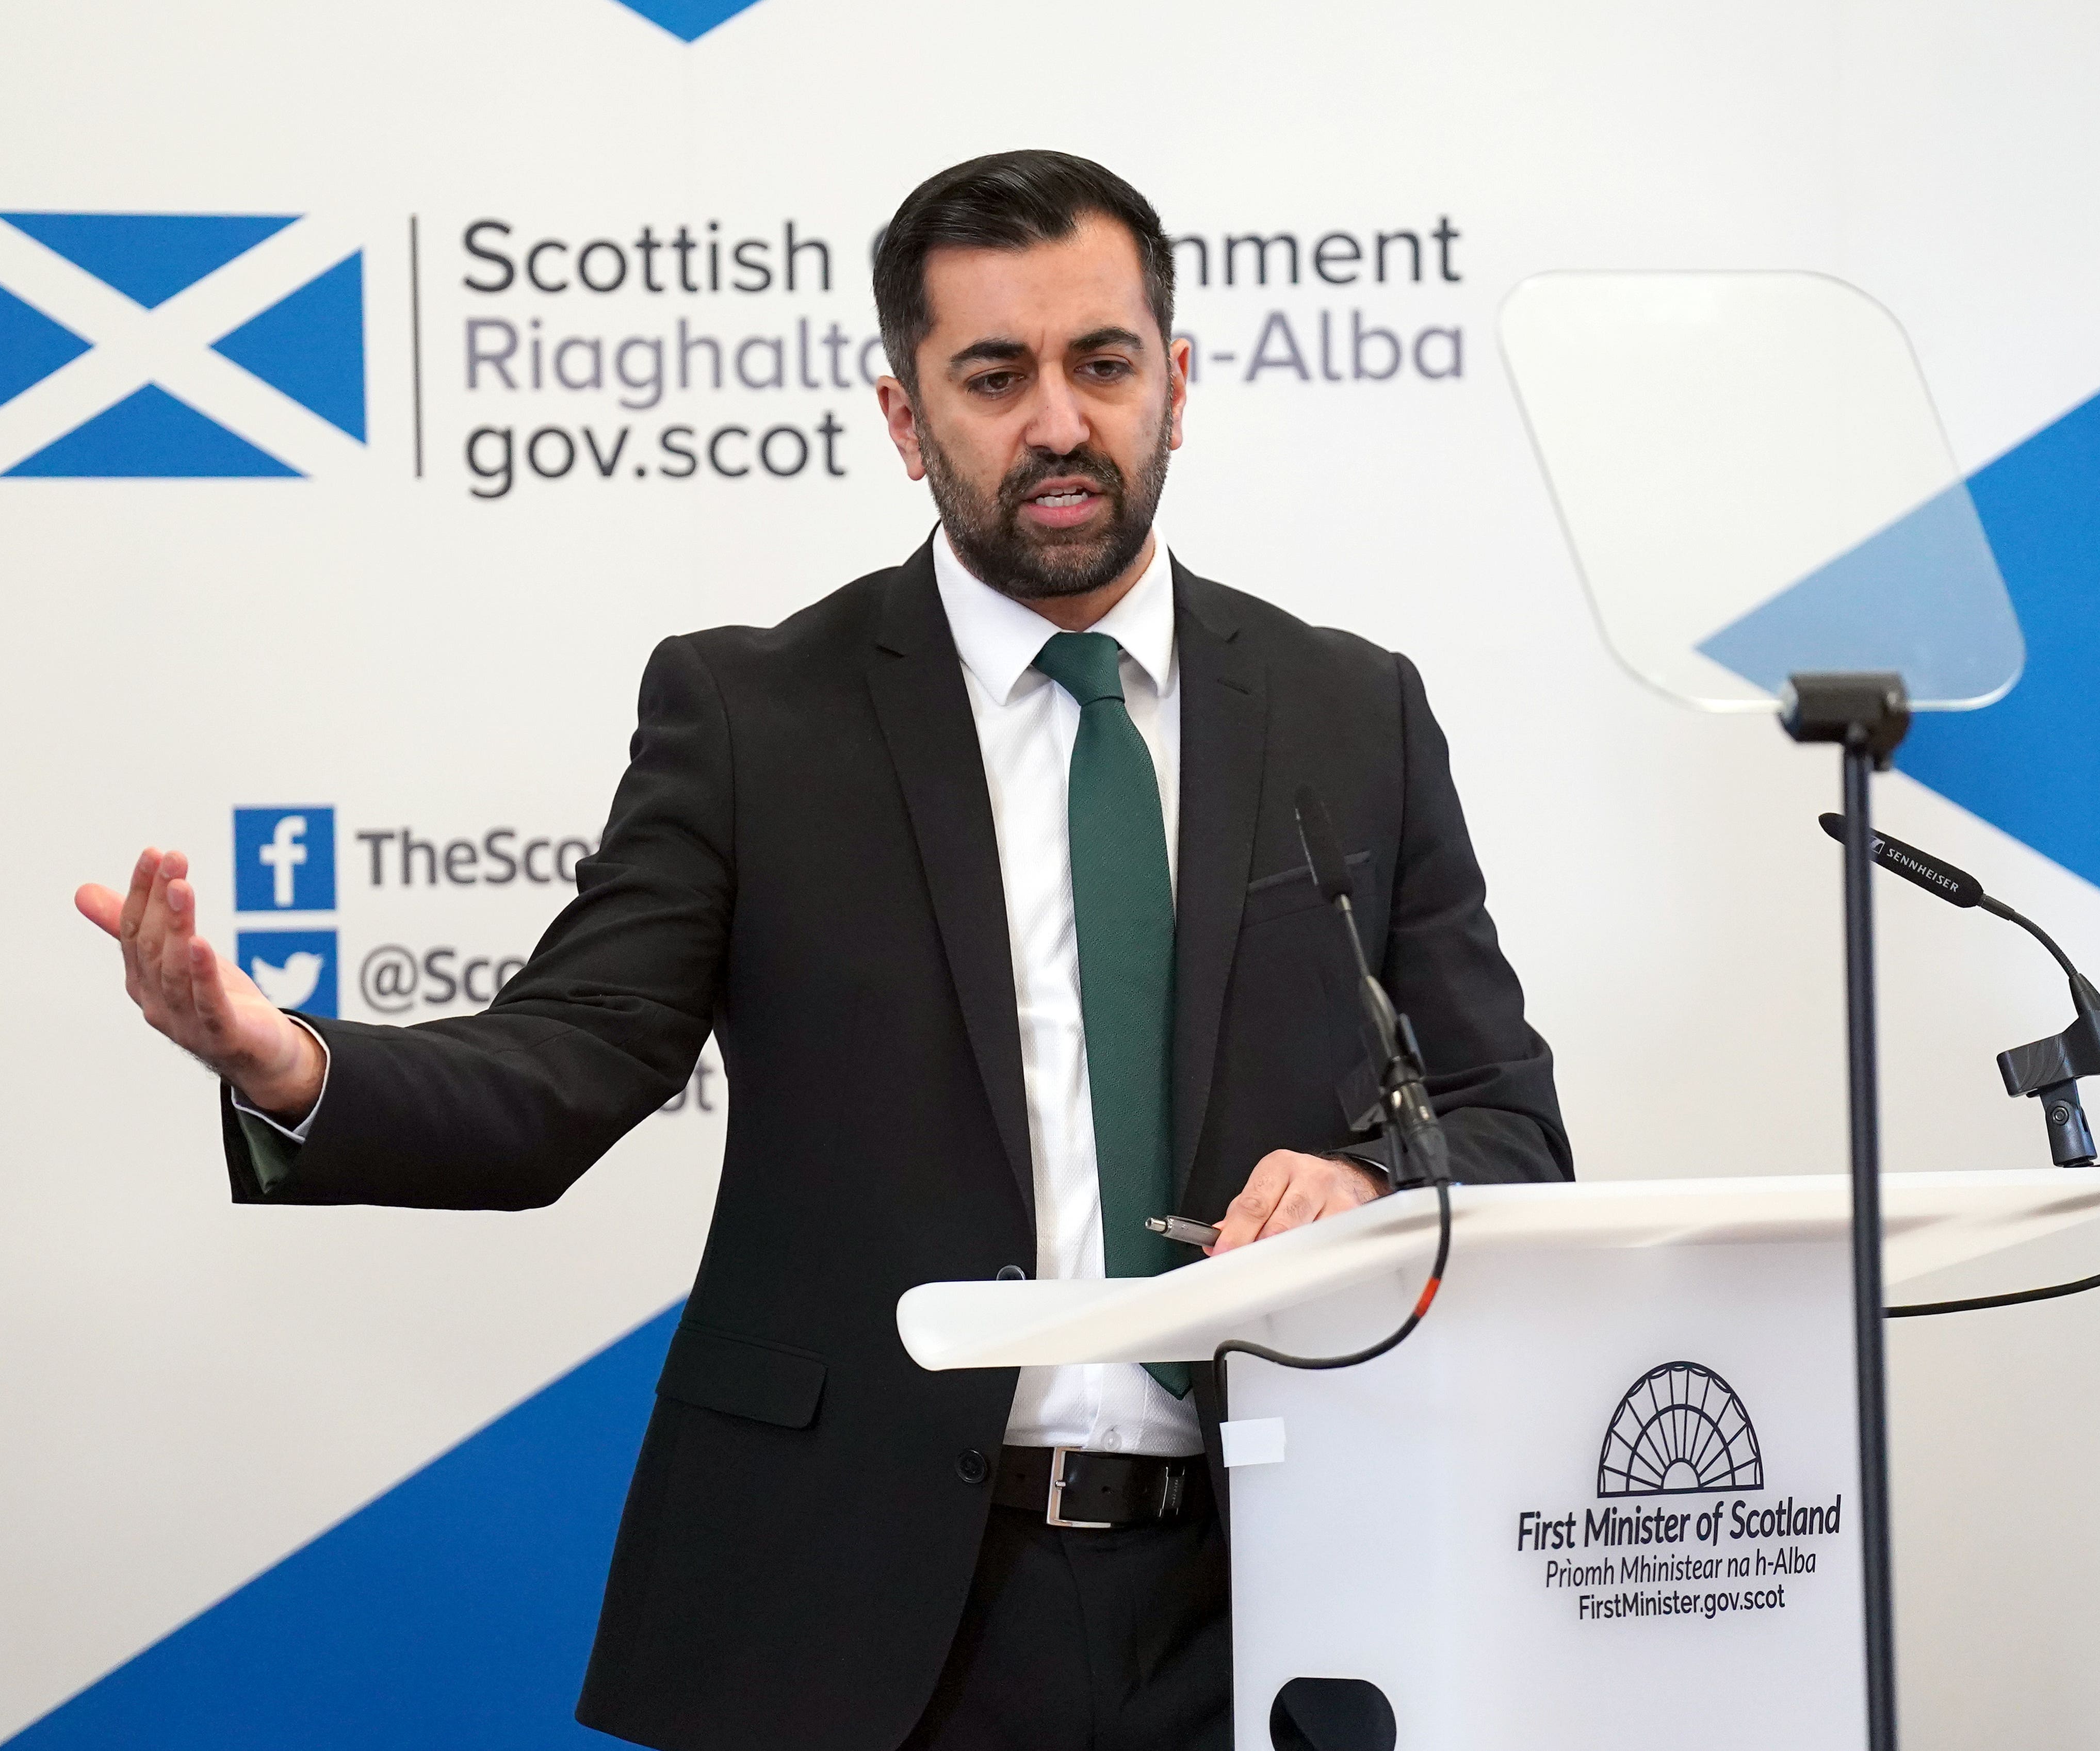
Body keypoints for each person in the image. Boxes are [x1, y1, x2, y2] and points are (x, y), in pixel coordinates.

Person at [76, 150, 1570, 1751]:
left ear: (1178, 385)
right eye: (993, 376)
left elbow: (1504, 1124)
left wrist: (1364, 1184)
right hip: (869, 1618)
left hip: (1273, 1603)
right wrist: (287, 1059)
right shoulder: (754, 718)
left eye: (1103, 364)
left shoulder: (1350, 712)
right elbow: (565, 1063)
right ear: (904, 418)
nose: (1057, 424)